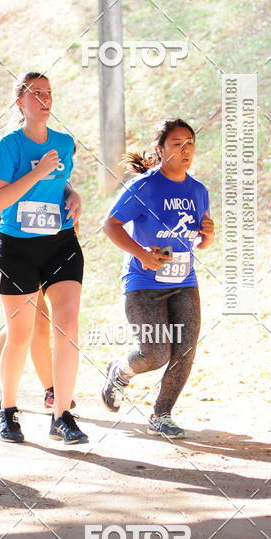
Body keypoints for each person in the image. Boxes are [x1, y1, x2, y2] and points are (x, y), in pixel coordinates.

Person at [0, 72, 88, 444]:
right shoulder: (9, 146)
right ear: (21, 103)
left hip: (61, 244)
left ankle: (62, 415)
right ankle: (8, 409)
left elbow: (58, 183)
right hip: (18, 248)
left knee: (68, 328)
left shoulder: (64, 142)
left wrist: (73, 194)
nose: (44, 98)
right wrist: (40, 171)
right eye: (36, 93)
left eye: (49, 92)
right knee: (21, 334)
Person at [100, 118, 215, 439]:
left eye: (190, 142)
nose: (185, 149)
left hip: (184, 281)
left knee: (185, 352)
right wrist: (142, 253)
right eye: (177, 143)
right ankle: (119, 372)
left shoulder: (198, 190)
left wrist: (208, 236)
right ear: (160, 149)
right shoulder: (144, 187)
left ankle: (162, 414)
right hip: (143, 284)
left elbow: (201, 240)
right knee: (155, 352)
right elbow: (110, 225)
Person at [0, 204, 79, 412]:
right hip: (21, 258)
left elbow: (74, 227)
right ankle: (51, 389)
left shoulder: (60, 184)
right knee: (36, 321)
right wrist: (27, 229)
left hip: (53, 259)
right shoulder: (16, 183)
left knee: (28, 322)